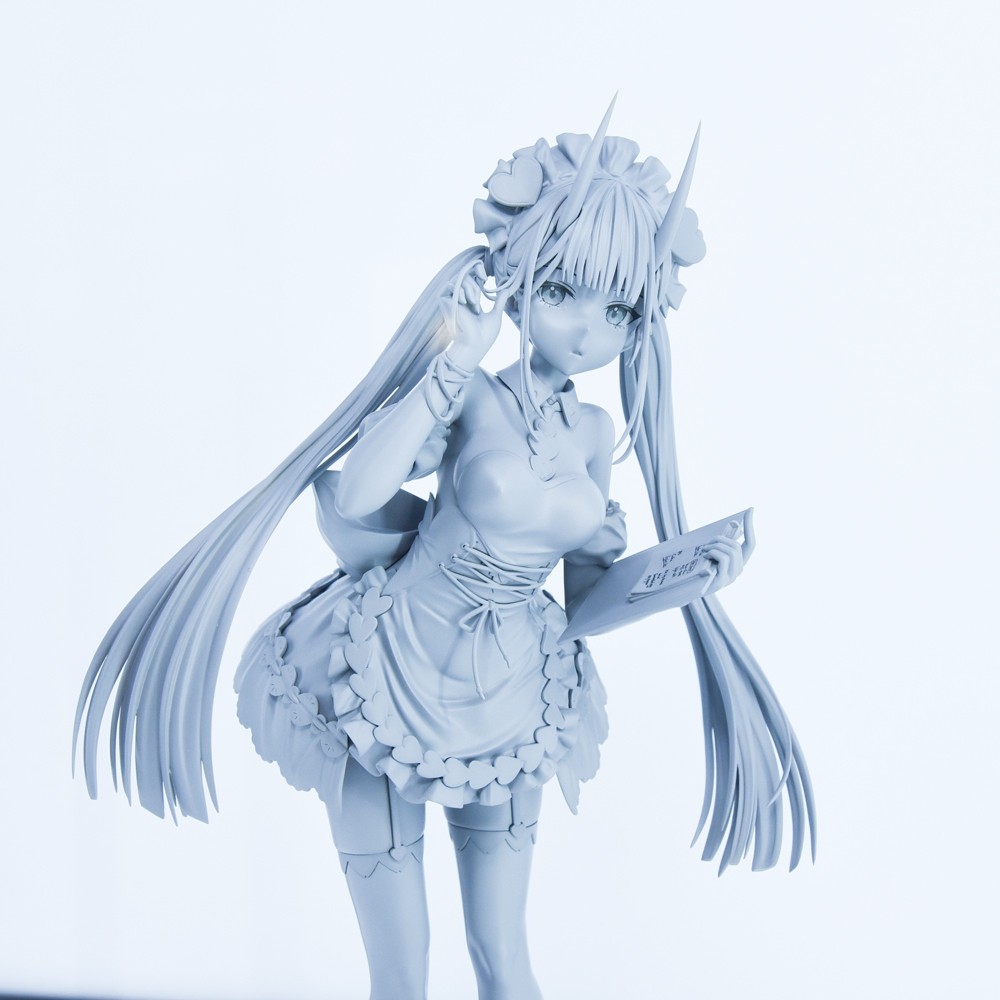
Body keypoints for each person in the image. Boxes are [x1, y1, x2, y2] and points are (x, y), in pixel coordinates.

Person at [75, 103, 814, 1000]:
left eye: (618, 308)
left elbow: (585, 601)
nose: (588, 329)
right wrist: (454, 364)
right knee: (403, 968)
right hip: (387, 672)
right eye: (562, 291)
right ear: (519, 276)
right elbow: (356, 493)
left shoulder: (592, 431)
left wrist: (685, 576)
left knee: (503, 949)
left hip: (514, 692)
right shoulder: (467, 394)